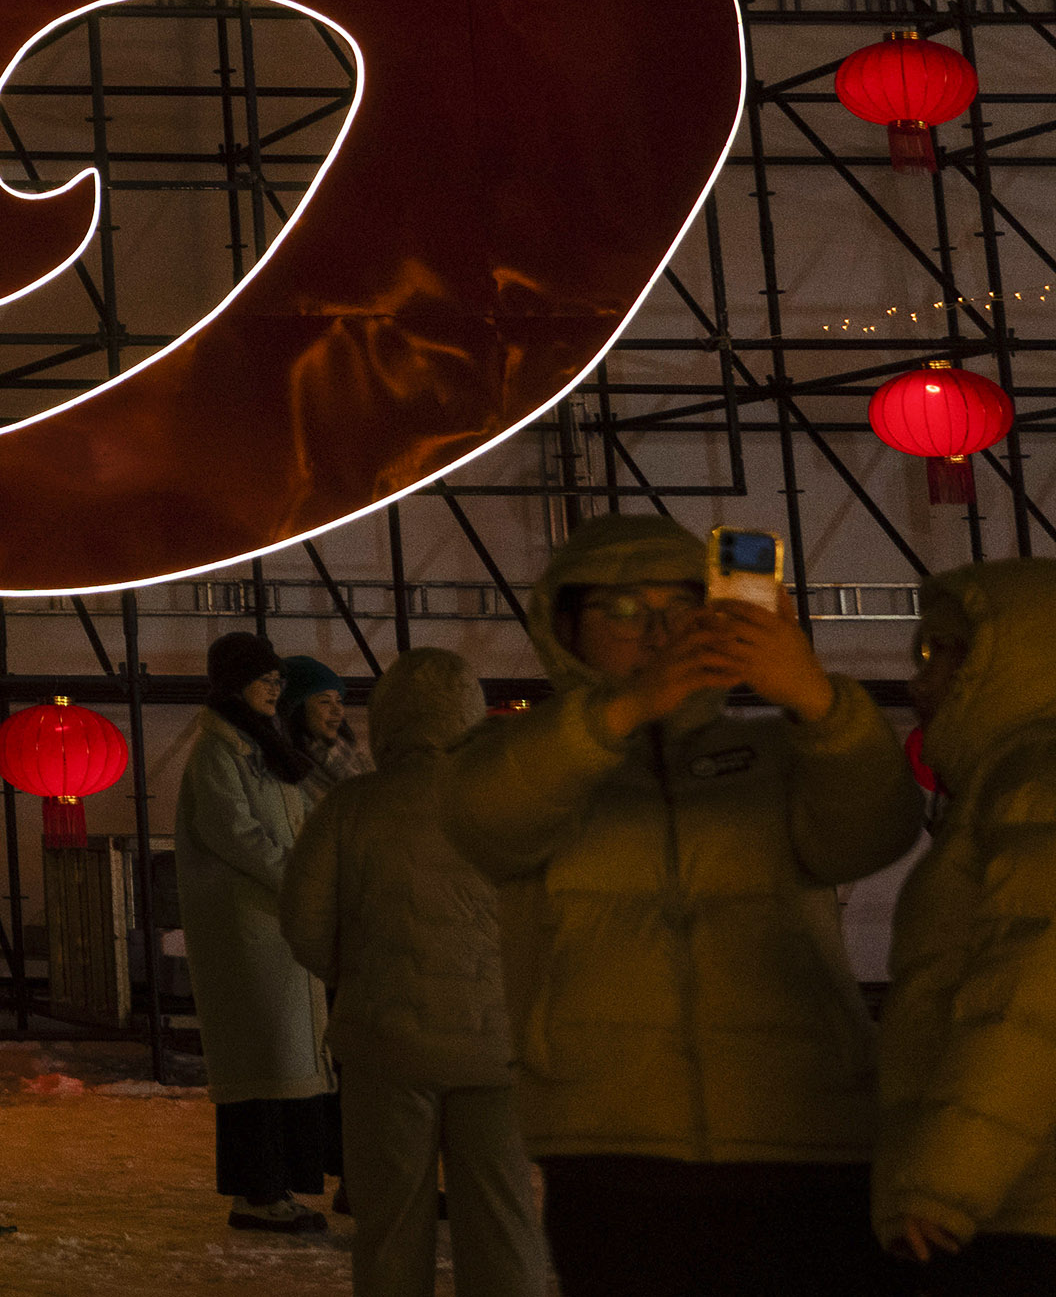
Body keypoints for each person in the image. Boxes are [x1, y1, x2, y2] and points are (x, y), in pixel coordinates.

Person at [440, 510, 920, 1297]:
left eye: (683, 608)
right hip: (614, 1144)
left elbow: (872, 834)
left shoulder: (776, 755)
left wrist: (818, 700)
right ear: (565, 625)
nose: (660, 633)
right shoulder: (528, 758)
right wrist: (623, 709)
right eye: (625, 610)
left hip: (803, 1131)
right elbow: (487, 818)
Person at [280, 647, 545, 1297]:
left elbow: (304, 922)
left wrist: (357, 971)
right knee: (503, 1221)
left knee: (391, 1225)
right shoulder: (512, 803)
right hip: (496, 1050)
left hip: (385, 1046)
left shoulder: (350, 806)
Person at [873, 558, 1056, 1288]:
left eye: (948, 652)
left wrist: (946, 1181)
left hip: (1020, 1204)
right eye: (923, 650)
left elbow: (1032, 988)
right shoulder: (1002, 779)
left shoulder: (1034, 774)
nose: (922, 681)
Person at [179, 628, 335, 1233]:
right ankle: (257, 1192)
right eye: (263, 679)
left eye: (277, 680)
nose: (273, 689)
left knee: (280, 1056)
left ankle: (274, 1188)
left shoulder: (257, 746)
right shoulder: (219, 751)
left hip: (272, 922)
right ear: (234, 683)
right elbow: (236, 833)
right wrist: (299, 876)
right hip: (247, 924)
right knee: (260, 1058)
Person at [282, 654, 371, 788]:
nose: (337, 710)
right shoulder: (290, 771)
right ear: (297, 710)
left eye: (339, 701)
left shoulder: (354, 757)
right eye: (325, 701)